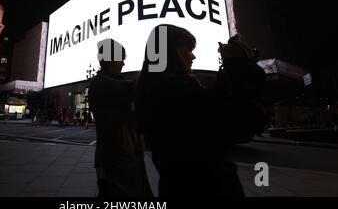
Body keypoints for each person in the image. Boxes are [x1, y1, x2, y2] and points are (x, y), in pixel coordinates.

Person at [136, 25, 266, 197]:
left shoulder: (153, 91)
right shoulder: (180, 92)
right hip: (208, 188)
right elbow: (246, 119)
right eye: (187, 49)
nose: (193, 55)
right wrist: (239, 65)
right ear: (168, 52)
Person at [89, 38, 153, 197]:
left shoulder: (112, 81)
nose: (123, 64)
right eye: (120, 59)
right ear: (109, 59)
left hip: (128, 157)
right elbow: (136, 86)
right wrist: (152, 60)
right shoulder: (101, 83)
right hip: (119, 162)